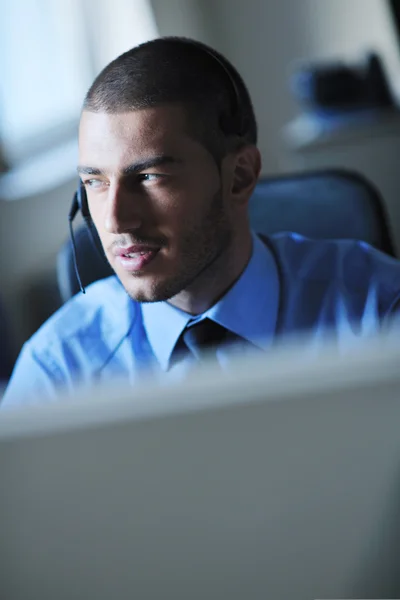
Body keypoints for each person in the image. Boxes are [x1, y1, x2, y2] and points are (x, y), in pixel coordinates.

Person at [2, 37, 400, 408]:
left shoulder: (379, 311)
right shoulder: (60, 368)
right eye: (95, 181)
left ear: (240, 176)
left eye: (149, 177)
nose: (116, 219)